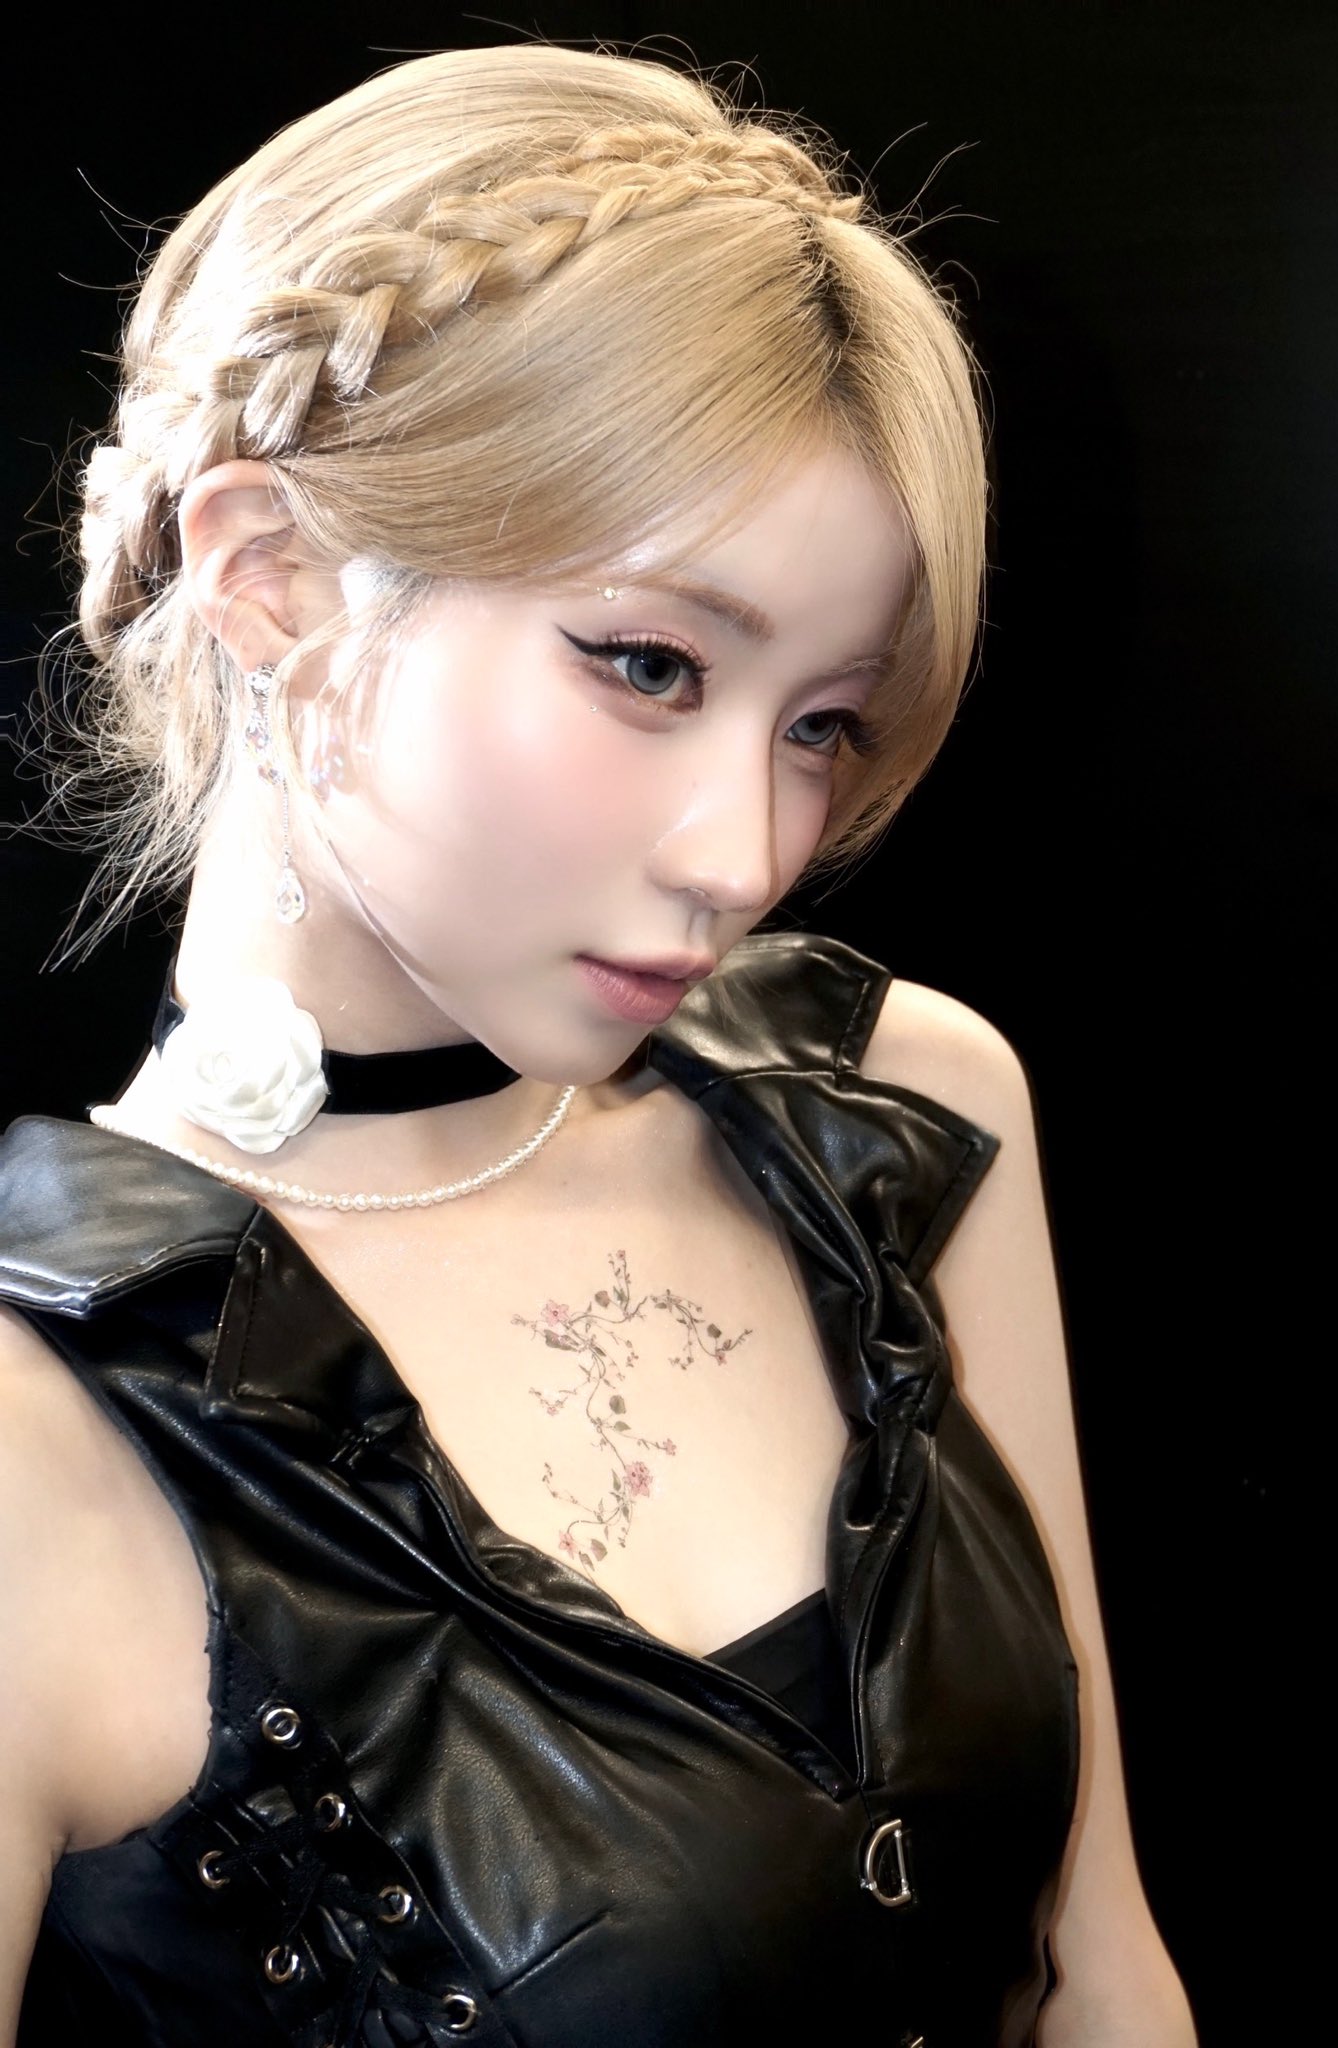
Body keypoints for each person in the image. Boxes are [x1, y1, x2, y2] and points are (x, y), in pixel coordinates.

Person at [0, 41, 1196, 2048]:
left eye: (820, 723)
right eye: (650, 665)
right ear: (269, 578)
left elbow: (1103, 1959)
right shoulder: (37, 1431)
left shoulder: (901, 1113)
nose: (749, 854)